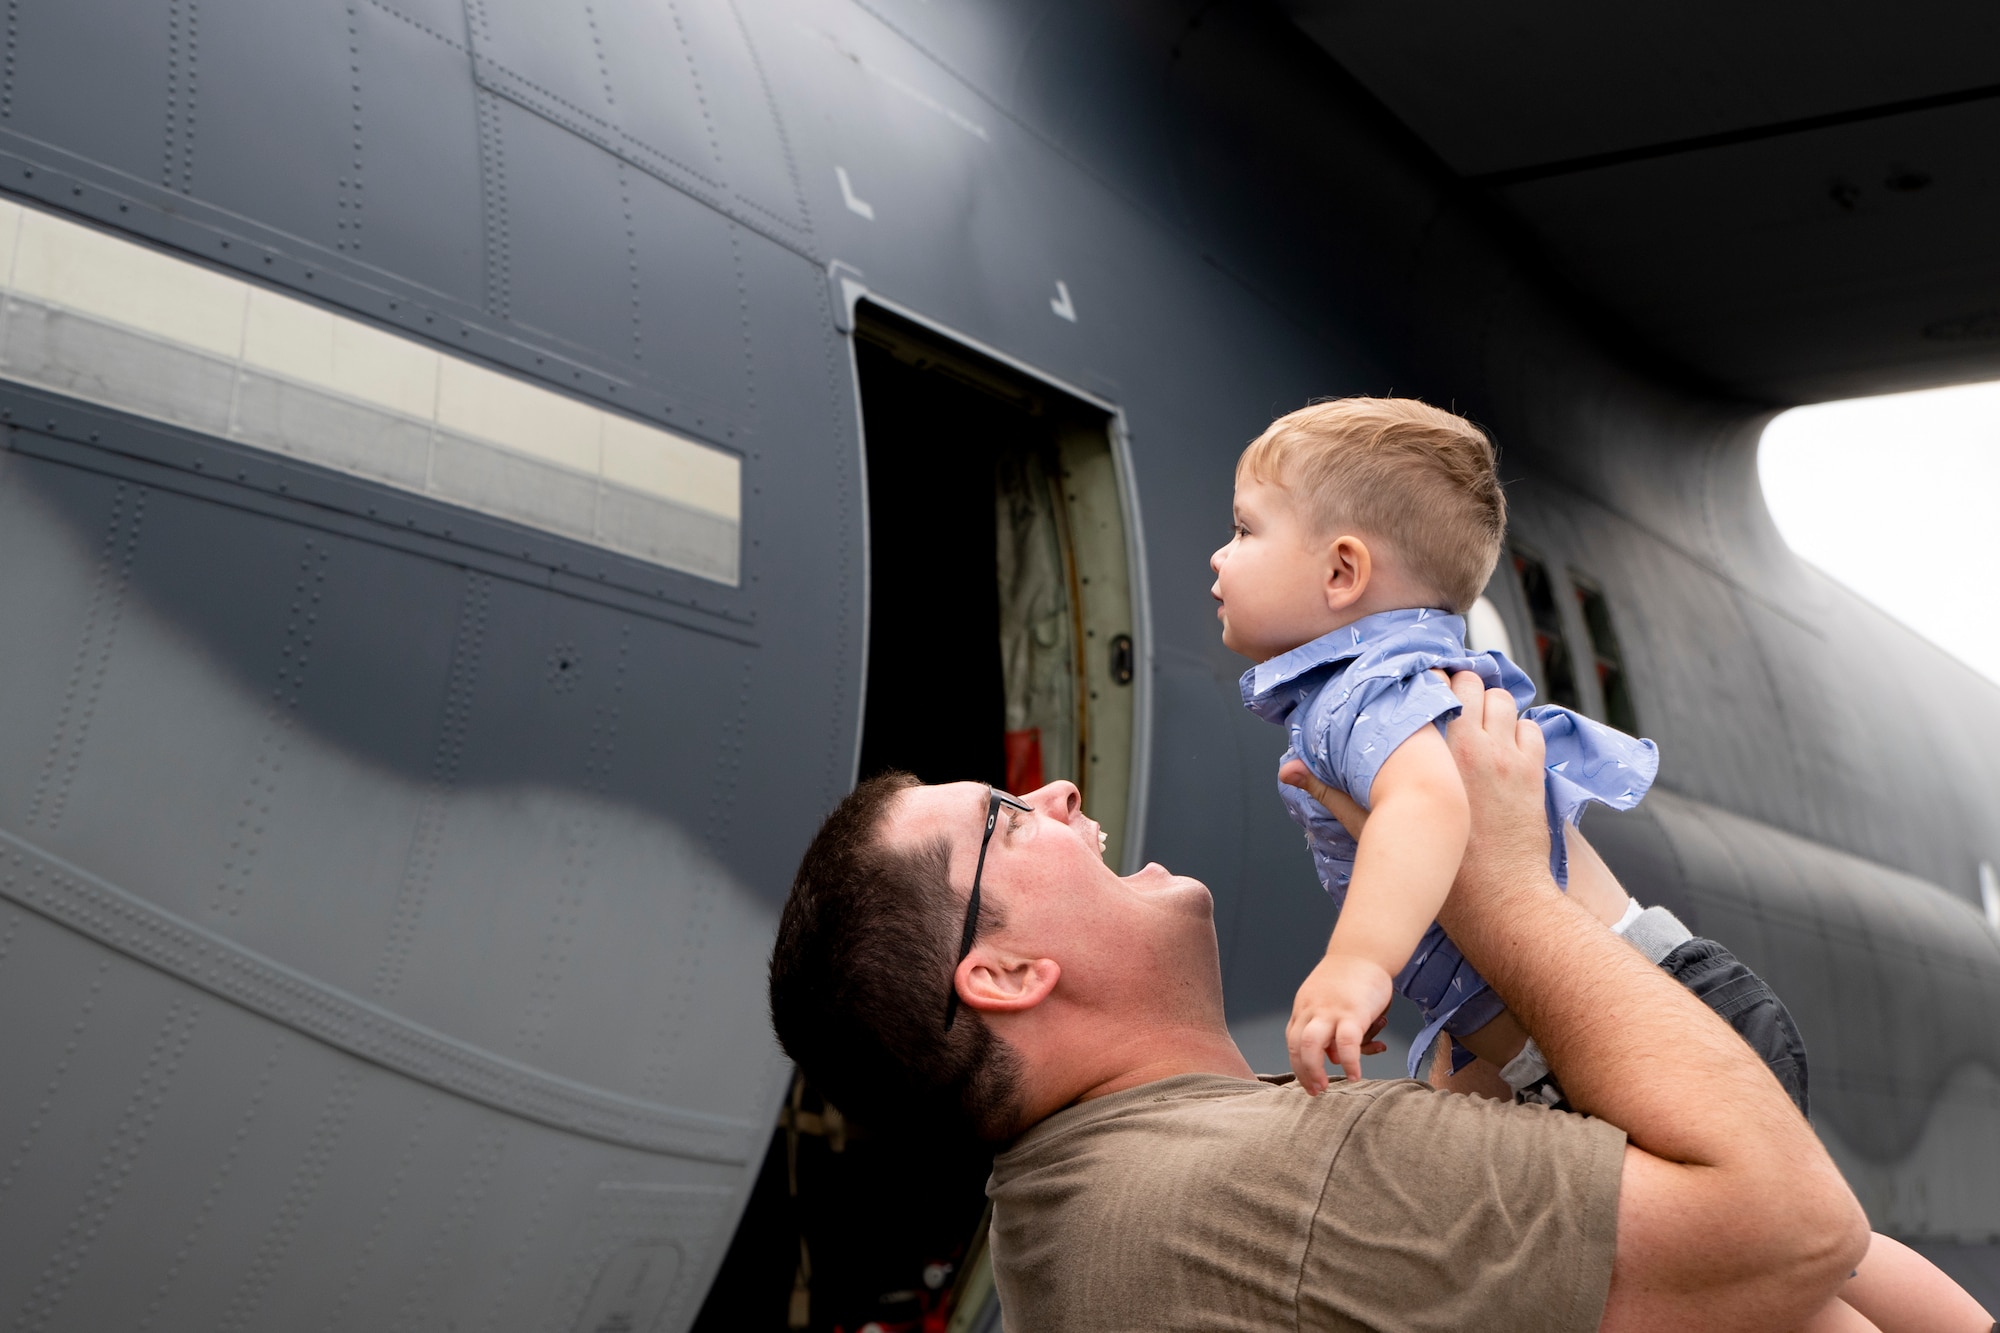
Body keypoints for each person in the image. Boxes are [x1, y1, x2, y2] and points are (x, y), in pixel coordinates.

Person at [772, 672, 1925, 1330]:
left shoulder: (1085, 1208)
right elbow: (1795, 1230)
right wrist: (1509, 889)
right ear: (1006, 976)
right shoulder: (1274, 1184)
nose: (1055, 789)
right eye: (1004, 819)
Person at [1210, 396, 1657, 1096]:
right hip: (1602, 1025)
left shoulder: (1365, 688)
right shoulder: (1403, 676)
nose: (1219, 553)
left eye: (1243, 529)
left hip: (1649, 1020)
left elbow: (1427, 803)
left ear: (1341, 572)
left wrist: (1358, 960)